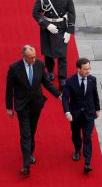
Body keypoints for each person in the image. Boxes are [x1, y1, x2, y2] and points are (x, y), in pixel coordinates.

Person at [5, 45, 61, 176]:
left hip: (36, 104)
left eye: (35, 56)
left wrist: (59, 95)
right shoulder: (14, 68)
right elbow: (9, 89)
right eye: (31, 57)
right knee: (26, 134)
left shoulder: (40, 65)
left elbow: (46, 83)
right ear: (24, 57)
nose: (34, 59)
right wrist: (9, 107)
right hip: (22, 106)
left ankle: (29, 153)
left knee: (32, 130)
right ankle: (26, 165)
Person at [32, 0, 76, 88]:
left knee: (62, 54)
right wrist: (46, 25)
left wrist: (69, 30)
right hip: (49, 27)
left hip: (61, 26)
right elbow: (35, 12)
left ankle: (62, 78)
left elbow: (71, 13)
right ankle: (50, 71)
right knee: (49, 53)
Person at [62, 58, 100, 174]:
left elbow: (95, 95)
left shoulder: (92, 80)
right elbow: (65, 98)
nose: (88, 71)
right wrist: (67, 112)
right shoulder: (70, 81)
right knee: (76, 135)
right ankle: (77, 149)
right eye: (85, 69)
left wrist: (97, 109)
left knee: (88, 137)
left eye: (89, 68)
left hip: (89, 114)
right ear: (78, 69)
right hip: (75, 114)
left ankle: (87, 163)